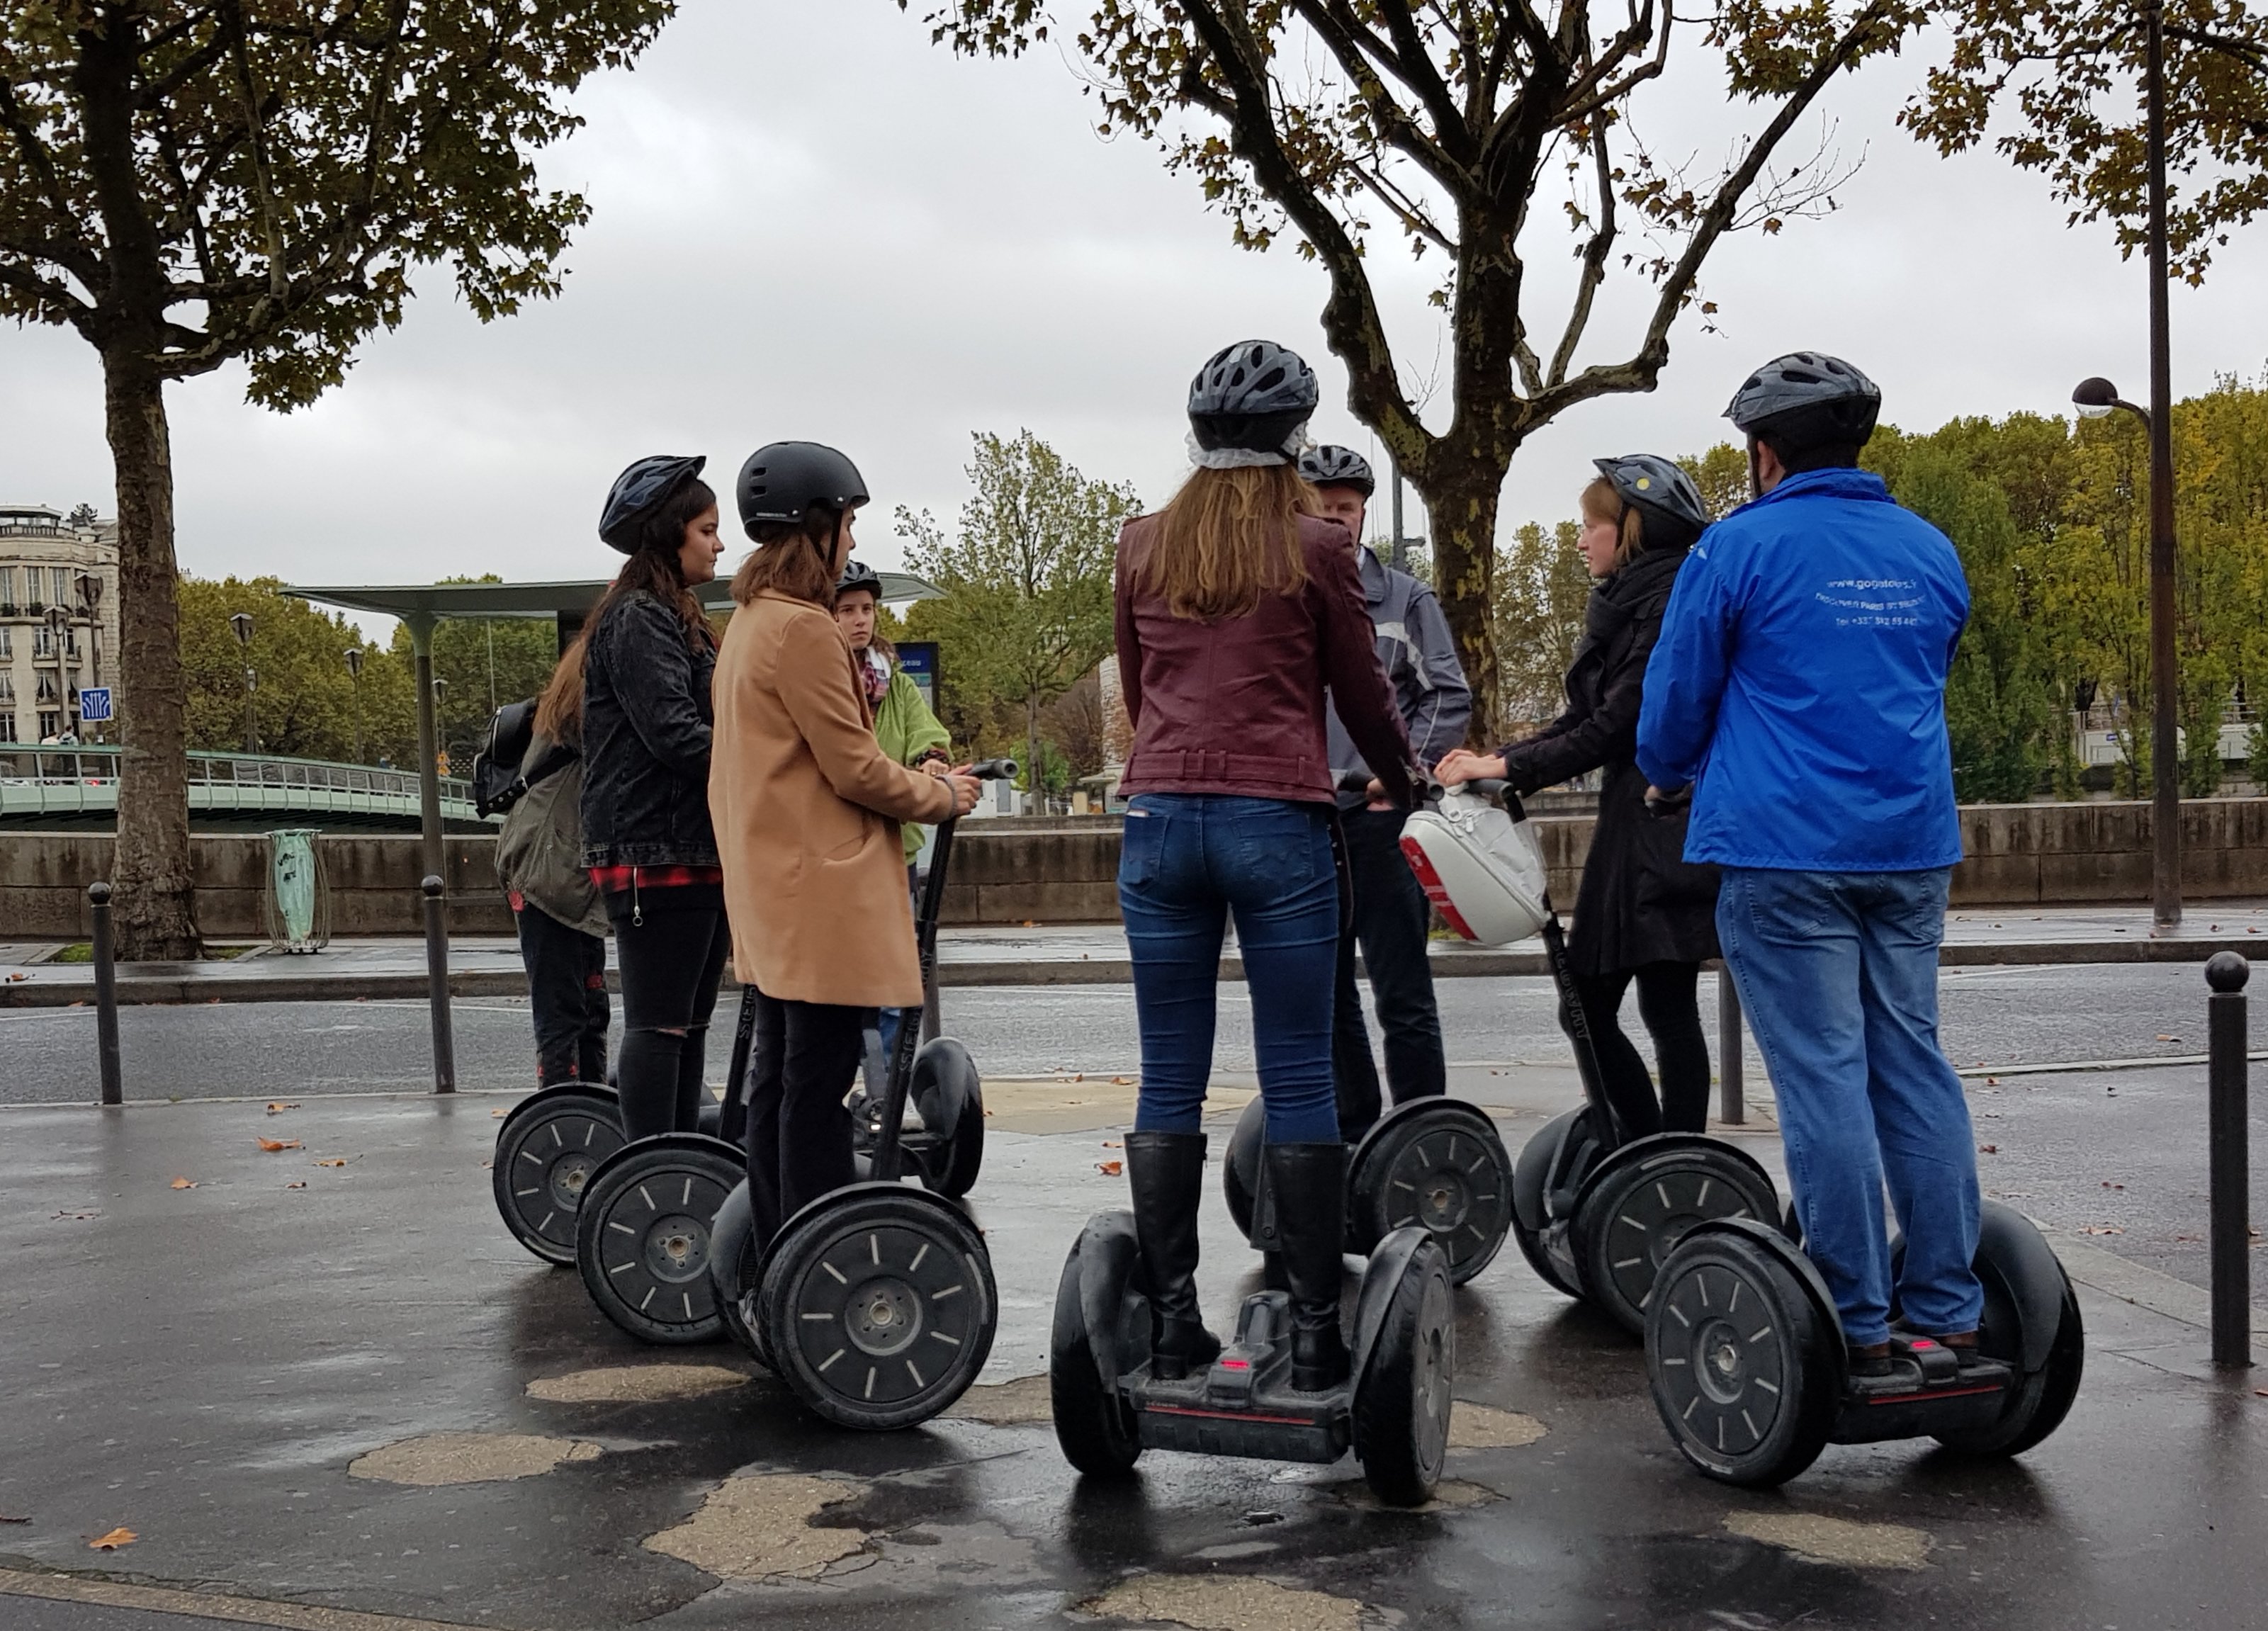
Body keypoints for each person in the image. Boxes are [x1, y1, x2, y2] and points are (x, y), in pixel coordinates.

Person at [1634, 352, 1979, 1383]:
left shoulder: (1736, 547)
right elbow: (1927, 667)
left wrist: (1665, 777)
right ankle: (1950, 1309)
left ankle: (1855, 1313)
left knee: (1824, 1074)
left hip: (1785, 848)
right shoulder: (1929, 548)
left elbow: (1673, 704)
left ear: (1765, 451)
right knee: (1911, 1060)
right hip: (1910, 842)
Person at [1115, 342, 1417, 1393]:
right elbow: (1362, 693)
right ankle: (1315, 1333)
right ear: (1295, 441)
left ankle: (1167, 1329)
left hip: (1157, 819)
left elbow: (1143, 680)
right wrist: (1404, 778)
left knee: (1168, 1075)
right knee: (1295, 1069)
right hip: (1276, 821)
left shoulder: (1143, 542)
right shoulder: (1316, 548)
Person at [709, 442, 981, 1251]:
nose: (853, 542)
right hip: (817, 895)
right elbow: (855, 767)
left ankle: (775, 1246)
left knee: (779, 1084)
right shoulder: (804, 632)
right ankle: (819, 1258)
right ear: (818, 527)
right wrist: (942, 795)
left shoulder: (749, 624)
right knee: (817, 1088)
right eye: (849, 523)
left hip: (770, 886)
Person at [1436, 456, 1720, 1139]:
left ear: (1631, 530)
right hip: (1646, 823)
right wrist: (1502, 760)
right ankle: (1668, 1152)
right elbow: (1584, 718)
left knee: (1599, 1006)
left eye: (1589, 526)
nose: (1579, 540)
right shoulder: (1639, 601)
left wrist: (1506, 763)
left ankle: (1658, 1153)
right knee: (1661, 1005)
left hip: (1659, 826)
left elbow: (1613, 725)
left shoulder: (1660, 608)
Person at [1301, 444, 1470, 1141]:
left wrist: (1397, 772)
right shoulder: (1282, 601)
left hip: (1380, 820)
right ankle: (1352, 1125)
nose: (1336, 524)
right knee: (1328, 990)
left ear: (1363, 513)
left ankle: (1421, 1131)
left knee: (1404, 990)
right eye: (1322, 511)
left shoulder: (1406, 600)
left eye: (1345, 511)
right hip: (1309, 816)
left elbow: (1446, 694)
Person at [565, 454, 728, 1141]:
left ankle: (676, 1158)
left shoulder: (677, 615)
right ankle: (650, 1168)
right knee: (661, 1025)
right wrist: (768, 764)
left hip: (688, 841)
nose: (721, 542)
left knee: (687, 1027)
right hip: (653, 849)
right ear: (670, 534)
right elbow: (676, 733)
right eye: (708, 528)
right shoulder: (637, 617)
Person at [834, 558, 954, 1058]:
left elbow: (928, 736)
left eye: (867, 609)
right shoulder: (823, 679)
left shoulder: (896, 685)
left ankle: (884, 1090)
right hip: (838, 849)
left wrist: (930, 760)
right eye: (847, 611)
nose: (861, 620)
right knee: (841, 975)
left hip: (892, 847)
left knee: (892, 971)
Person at [498, 678, 608, 1089]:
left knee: (584, 1008)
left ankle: (580, 1109)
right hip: (549, 872)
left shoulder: (567, 701)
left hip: (556, 868)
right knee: (566, 1012)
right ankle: (566, 1111)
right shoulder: (586, 706)